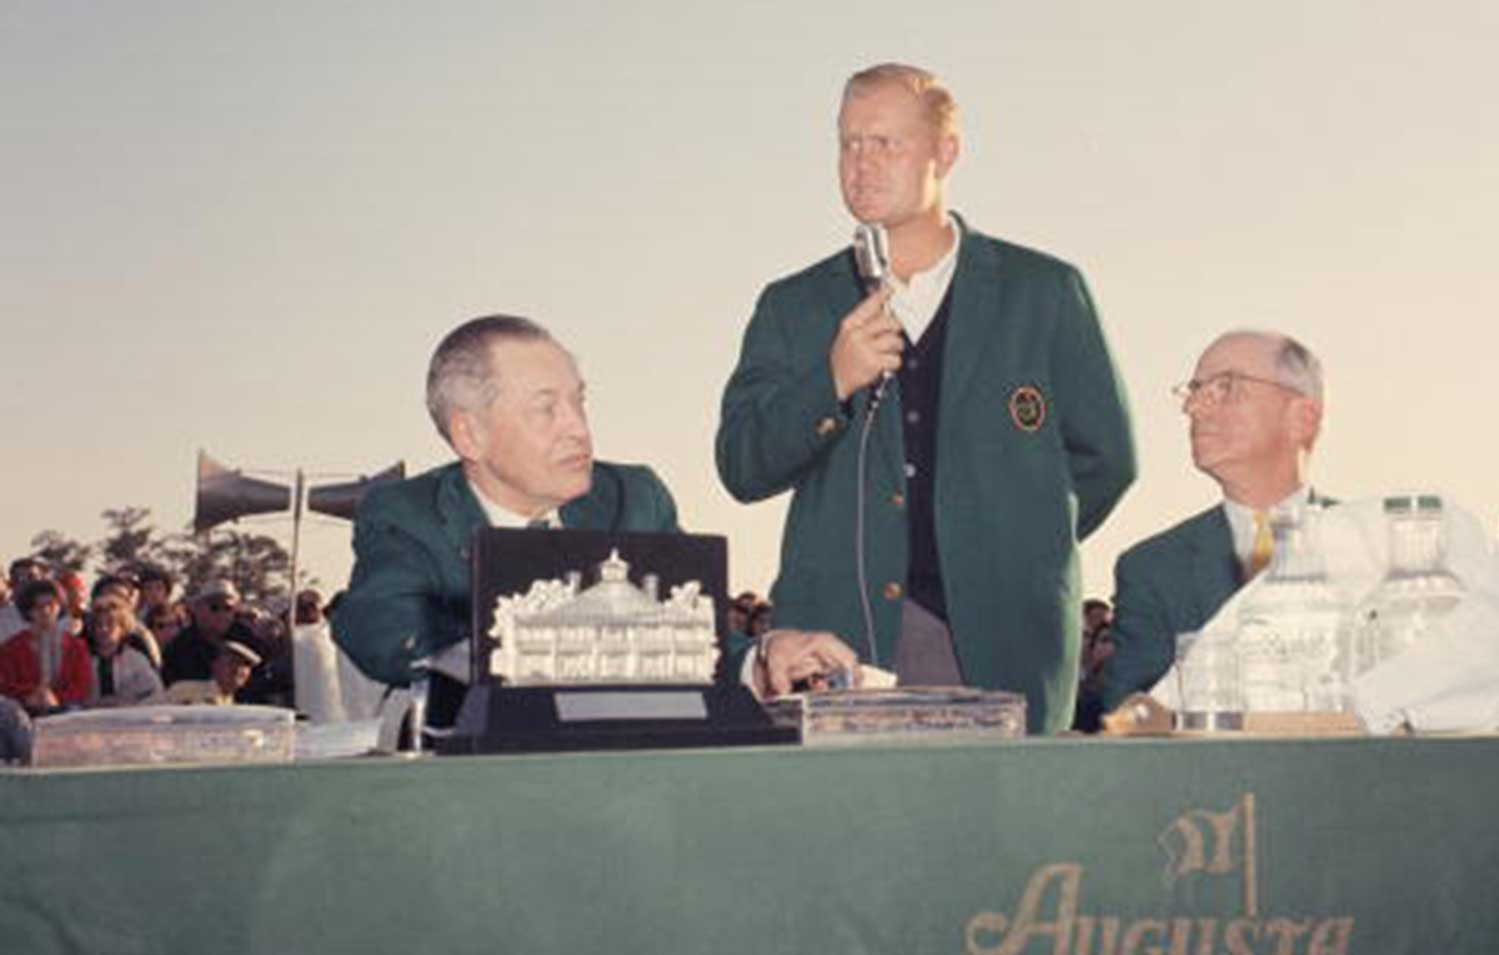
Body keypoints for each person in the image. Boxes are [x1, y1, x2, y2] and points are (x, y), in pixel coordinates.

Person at [715, 63, 1136, 734]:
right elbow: (740, 464)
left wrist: (1004, 546)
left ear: (946, 152)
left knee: (1005, 837)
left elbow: (1107, 458)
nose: (862, 162)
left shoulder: (1045, 292)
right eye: (849, 143)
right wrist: (831, 382)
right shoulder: (793, 305)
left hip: (1001, 645)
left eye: (887, 143)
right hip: (839, 646)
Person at [335, 314, 856, 727]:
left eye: (579, 402)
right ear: (470, 435)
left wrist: (766, 657)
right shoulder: (406, 513)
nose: (578, 429)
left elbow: (696, 638)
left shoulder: (635, 497)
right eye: (546, 410)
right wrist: (541, 639)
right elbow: (381, 629)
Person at [1094, 331, 1327, 711]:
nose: (1195, 409)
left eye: (1226, 387)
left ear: (1303, 417)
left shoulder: (1376, 547)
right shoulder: (1153, 569)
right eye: (1195, 391)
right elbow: (1132, 730)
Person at [0, 579, 93, 714]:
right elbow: (6, 684)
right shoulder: (11, 647)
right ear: (28, 610)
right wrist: (31, 696)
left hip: (67, 709)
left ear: (60, 606)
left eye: (51, 605)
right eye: (38, 607)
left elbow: (82, 685)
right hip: (22, 710)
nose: (45, 611)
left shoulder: (76, 646)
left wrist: (57, 698)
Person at [162, 579, 264, 690]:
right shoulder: (179, 647)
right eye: (214, 608)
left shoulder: (246, 638)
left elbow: (263, 674)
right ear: (197, 609)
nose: (222, 614)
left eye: (228, 609)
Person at [85, 601, 164, 706]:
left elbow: (156, 692)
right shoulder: (82, 659)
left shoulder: (135, 659)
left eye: (110, 624)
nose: (104, 629)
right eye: (99, 625)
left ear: (122, 628)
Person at [160, 641, 261, 706]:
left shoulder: (235, 708)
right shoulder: (185, 691)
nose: (237, 670)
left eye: (245, 665)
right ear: (215, 665)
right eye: (231, 662)